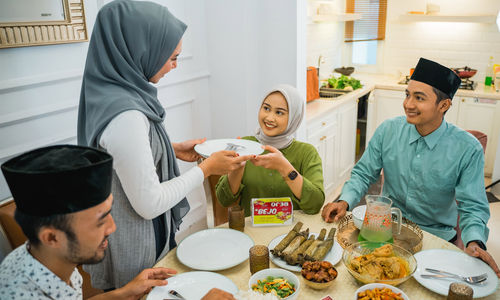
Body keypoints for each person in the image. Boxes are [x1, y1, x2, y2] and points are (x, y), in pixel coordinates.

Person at [77, 0, 252, 290]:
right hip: (133, 245)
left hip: (131, 236)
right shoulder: (126, 115)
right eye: (171, 56)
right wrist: (207, 169)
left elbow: (116, 154)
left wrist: (171, 148)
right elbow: (150, 204)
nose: (174, 65)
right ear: (141, 49)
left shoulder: (111, 93)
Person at [321, 57, 500, 277]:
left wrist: (474, 241)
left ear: (443, 105)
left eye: (419, 98)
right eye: (407, 95)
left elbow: (472, 206)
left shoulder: (467, 149)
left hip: (435, 240)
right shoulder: (388, 131)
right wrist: (344, 200)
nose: (408, 104)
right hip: (382, 234)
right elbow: (363, 173)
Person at [0, 145, 236, 300]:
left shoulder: (45, 260)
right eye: (99, 221)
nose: (112, 228)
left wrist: (122, 293)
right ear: (51, 237)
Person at [216, 84, 325, 216]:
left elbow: (315, 204)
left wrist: (285, 168)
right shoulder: (244, 145)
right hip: (251, 232)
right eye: (266, 108)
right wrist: (237, 170)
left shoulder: (307, 152)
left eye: (279, 112)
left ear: (293, 118)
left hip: (293, 233)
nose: (269, 118)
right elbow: (223, 200)